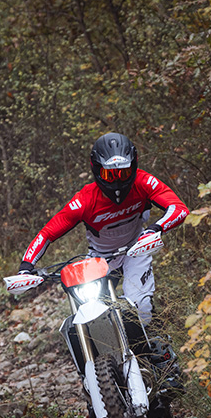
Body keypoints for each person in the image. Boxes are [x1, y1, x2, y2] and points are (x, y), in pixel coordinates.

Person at [18, 132, 188, 334]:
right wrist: (26, 268)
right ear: (97, 170)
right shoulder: (84, 200)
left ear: (133, 166)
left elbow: (179, 209)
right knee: (92, 315)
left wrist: (155, 229)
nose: (117, 181)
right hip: (100, 259)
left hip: (137, 249)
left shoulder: (144, 182)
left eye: (123, 173)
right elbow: (47, 233)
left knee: (140, 306)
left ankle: (158, 346)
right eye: (110, 175)